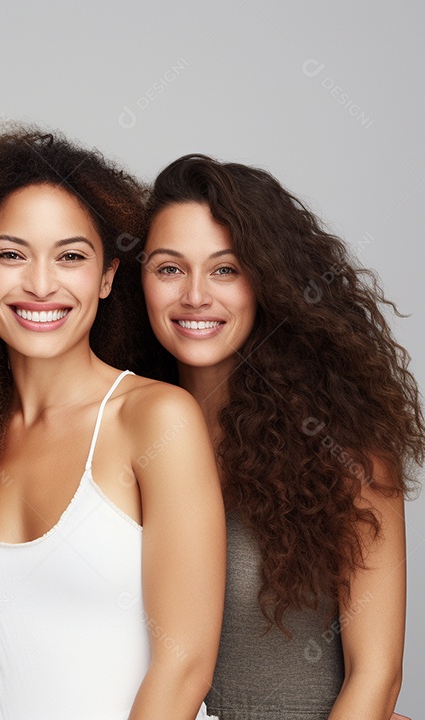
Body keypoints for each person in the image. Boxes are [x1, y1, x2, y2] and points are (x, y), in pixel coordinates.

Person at [0, 129, 225, 720]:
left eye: (71, 256)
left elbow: (184, 666)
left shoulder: (154, 419)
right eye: (11, 254)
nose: (40, 284)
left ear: (107, 277)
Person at [139, 154, 422, 720]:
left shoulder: (345, 453)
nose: (195, 295)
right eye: (169, 268)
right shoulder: (125, 433)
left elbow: (376, 677)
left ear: (268, 281)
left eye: (225, 270)